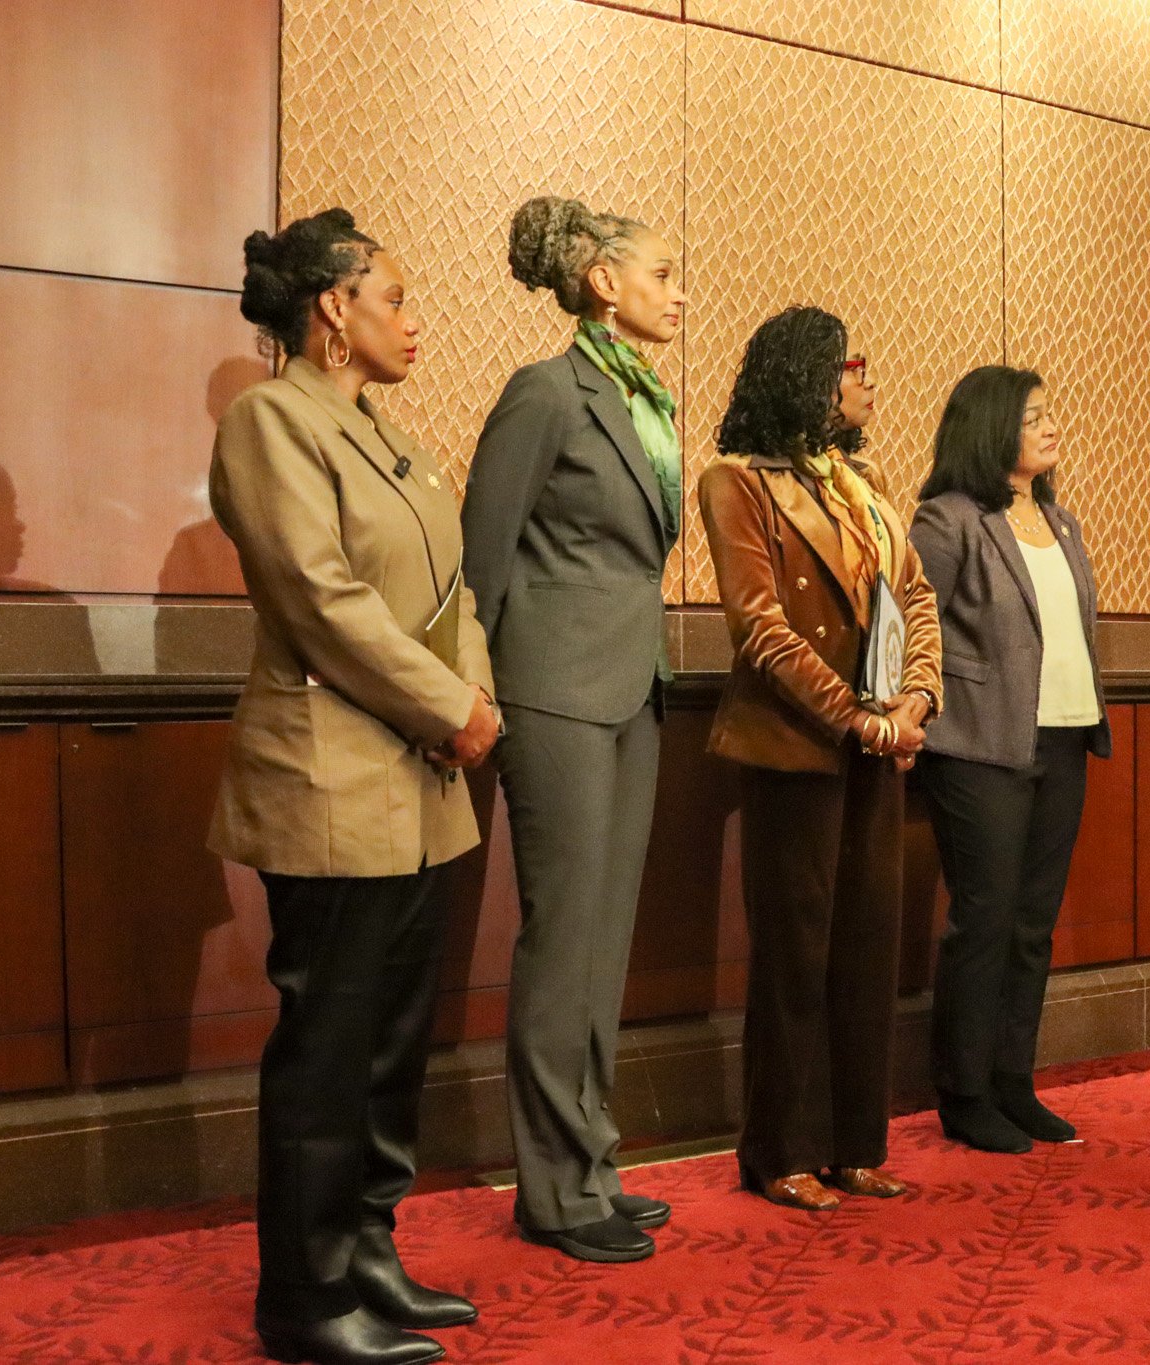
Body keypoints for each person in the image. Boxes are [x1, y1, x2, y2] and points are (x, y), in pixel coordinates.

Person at [212, 208, 501, 1365]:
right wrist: (452, 711)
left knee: (390, 1043)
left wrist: (468, 705)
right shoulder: (270, 421)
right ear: (333, 309)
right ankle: (306, 1296)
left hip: (420, 782)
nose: (410, 318)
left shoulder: (394, 439)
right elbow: (322, 604)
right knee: (327, 1048)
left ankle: (370, 1253)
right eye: (393, 296)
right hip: (331, 780)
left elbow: (454, 595)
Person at [460, 196, 686, 1264]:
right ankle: (551, 1192)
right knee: (559, 945)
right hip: (550, 692)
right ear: (602, 281)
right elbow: (483, 558)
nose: (677, 291)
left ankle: (590, 1161)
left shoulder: (647, 400)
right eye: (661, 273)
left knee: (603, 943)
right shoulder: (544, 393)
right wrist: (485, 699)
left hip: (633, 688)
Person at [699, 306, 943, 1211]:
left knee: (866, 950)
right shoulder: (737, 481)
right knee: (795, 953)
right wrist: (856, 717)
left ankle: (853, 1144)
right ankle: (779, 1151)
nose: (869, 383)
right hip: (796, 745)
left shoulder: (865, 479)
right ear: (804, 374)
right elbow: (758, 626)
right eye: (854, 365)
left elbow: (915, 597)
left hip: (880, 745)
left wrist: (915, 699)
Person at [909, 367, 1108, 1154]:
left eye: (1050, 412)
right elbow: (915, 627)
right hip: (979, 745)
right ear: (991, 428)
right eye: (1032, 417)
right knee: (984, 919)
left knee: (1032, 925)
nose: (1050, 426)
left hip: (1063, 738)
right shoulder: (950, 519)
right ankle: (962, 1092)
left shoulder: (1062, 522)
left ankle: (1012, 1081)